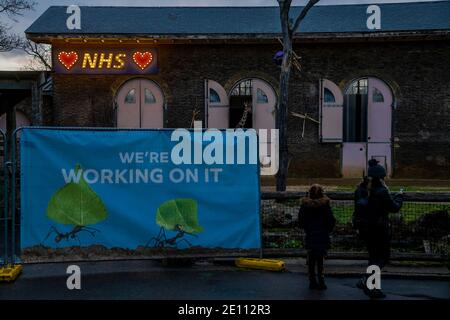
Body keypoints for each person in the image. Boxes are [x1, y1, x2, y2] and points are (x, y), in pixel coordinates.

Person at [354, 159, 403, 299]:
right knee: (383, 258)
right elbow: (394, 207)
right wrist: (399, 197)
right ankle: (366, 279)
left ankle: (373, 289)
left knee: (373, 258)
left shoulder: (360, 190)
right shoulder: (381, 191)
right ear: (381, 177)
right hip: (379, 230)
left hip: (365, 230)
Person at [298, 184, 336, 290]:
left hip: (310, 234)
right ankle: (321, 280)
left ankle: (312, 280)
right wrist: (328, 229)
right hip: (322, 234)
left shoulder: (305, 205)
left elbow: (301, 221)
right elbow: (331, 220)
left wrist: (307, 228)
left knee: (311, 259)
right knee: (320, 259)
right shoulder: (325, 205)